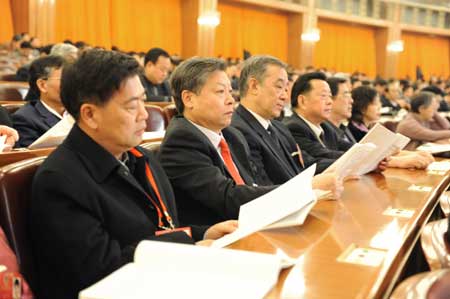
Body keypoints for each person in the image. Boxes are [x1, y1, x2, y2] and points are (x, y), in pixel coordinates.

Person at [30, 50, 237, 299]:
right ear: (90, 114)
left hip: (166, 280)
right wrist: (188, 245)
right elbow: (104, 271)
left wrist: (204, 233)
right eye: (131, 106)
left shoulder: (139, 156)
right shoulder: (60, 180)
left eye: (143, 101)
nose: (145, 115)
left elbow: (160, 228)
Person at [159, 57, 278, 226]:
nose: (231, 100)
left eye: (230, 91)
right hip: (215, 239)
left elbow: (252, 185)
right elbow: (229, 198)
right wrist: (298, 191)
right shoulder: (181, 141)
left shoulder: (232, 135)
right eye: (221, 92)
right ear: (189, 99)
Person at [230, 55, 340, 196]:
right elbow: (262, 190)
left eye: (286, 89)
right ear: (254, 86)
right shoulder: (237, 131)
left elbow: (306, 164)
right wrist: (309, 187)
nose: (284, 96)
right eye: (279, 87)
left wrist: (348, 164)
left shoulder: (278, 127)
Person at [327, 82, 433, 169]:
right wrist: (404, 159)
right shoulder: (353, 129)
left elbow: (381, 154)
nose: (379, 107)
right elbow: (363, 157)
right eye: (375, 103)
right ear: (363, 106)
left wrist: (410, 155)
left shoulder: (345, 128)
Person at [283, 72, 347, 160]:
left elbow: (348, 147)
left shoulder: (326, 127)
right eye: (323, 96)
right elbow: (323, 155)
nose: (330, 102)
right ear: (302, 101)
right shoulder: (293, 128)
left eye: (330, 96)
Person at [13, 55, 65, 147]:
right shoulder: (25, 119)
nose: (72, 84)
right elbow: (31, 159)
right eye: (65, 79)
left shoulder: (80, 112)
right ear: (42, 85)